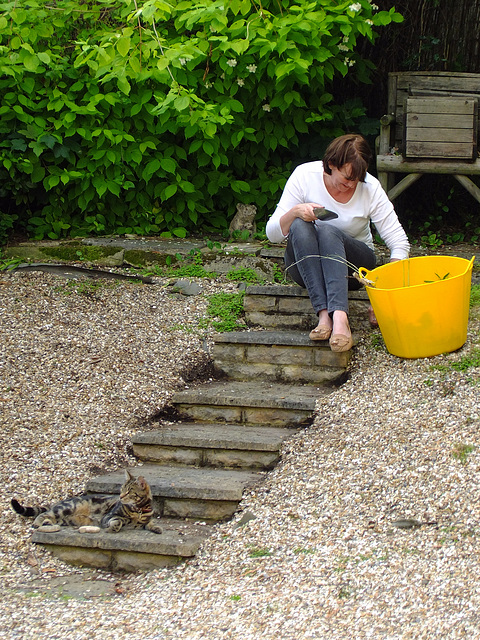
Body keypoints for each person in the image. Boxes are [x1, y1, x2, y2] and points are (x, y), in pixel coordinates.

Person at [265, 133, 410, 352]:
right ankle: (324, 316)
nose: (352, 185)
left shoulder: (370, 187)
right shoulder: (304, 175)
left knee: (328, 232)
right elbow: (272, 234)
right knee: (298, 225)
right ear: (331, 165)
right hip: (308, 269)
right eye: (346, 179)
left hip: (355, 269)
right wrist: (295, 212)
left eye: (357, 180)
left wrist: (386, 291)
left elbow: (399, 241)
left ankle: (340, 319)